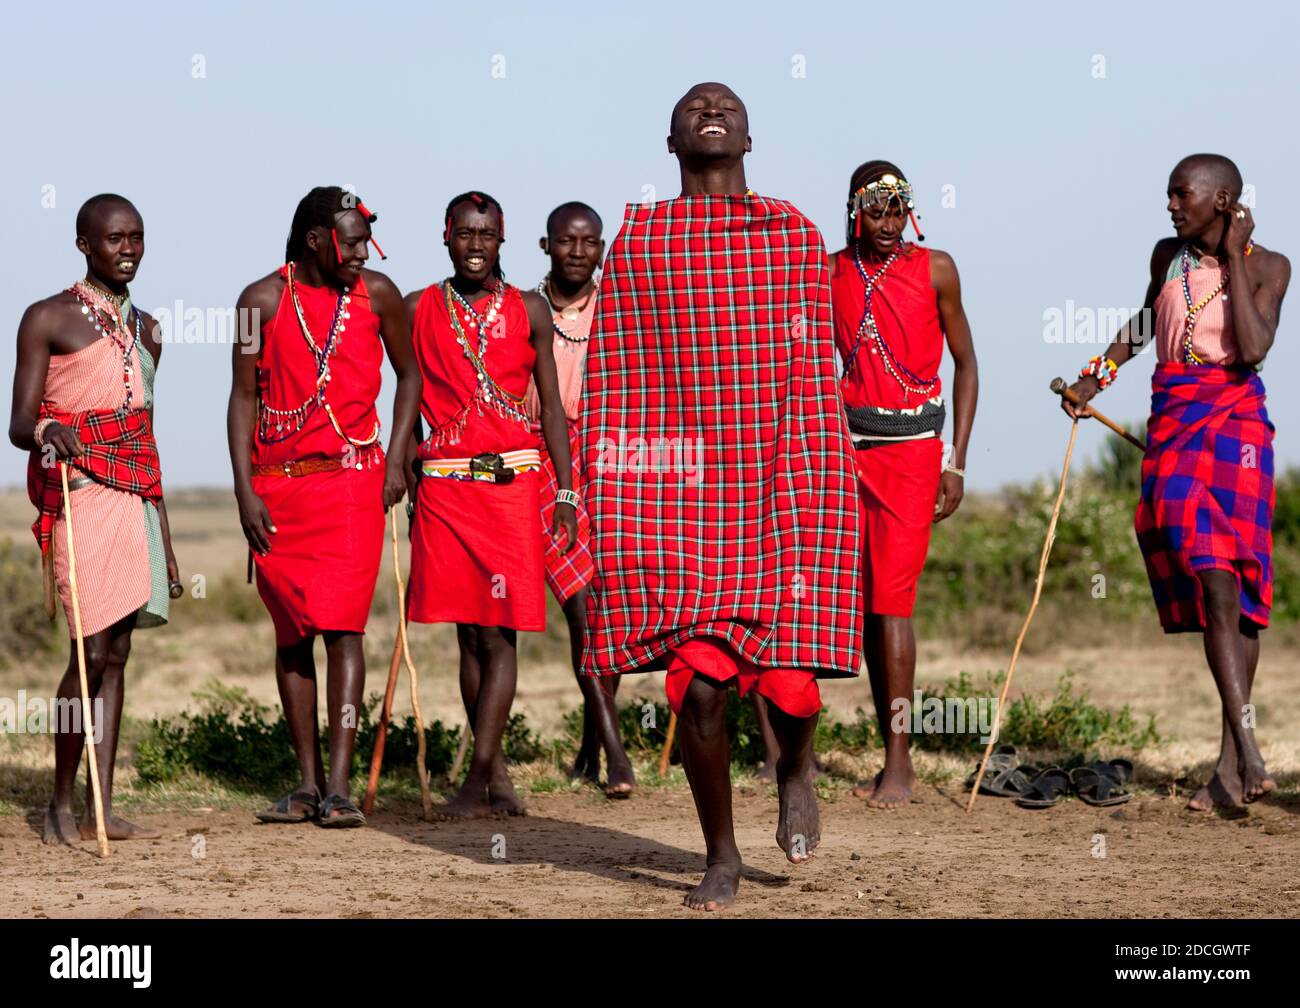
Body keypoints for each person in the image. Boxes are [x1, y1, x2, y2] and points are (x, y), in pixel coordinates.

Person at [580, 83, 862, 910]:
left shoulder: (792, 235)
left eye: (729, 106)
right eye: (696, 106)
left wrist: (820, 474)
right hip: (686, 496)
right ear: (670, 142)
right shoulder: (639, 242)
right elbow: (621, 374)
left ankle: (796, 767)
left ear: (750, 136)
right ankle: (723, 854)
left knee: (792, 688)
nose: (713, 110)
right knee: (700, 687)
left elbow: (815, 373)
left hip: (781, 481)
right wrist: (613, 481)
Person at [1063, 154, 1290, 810]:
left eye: (1181, 195)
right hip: (1177, 426)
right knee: (1208, 571)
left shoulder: (1272, 266)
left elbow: (1251, 349)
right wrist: (1094, 375)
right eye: (1168, 195)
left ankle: (1231, 763)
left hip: (1237, 429)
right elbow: (1142, 324)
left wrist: (1238, 256)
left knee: (1235, 588)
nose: (1170, 205)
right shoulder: (1167, 255)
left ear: (1222, 200)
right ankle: (1248, 749)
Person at [228, 186, 421, 828]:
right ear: (316, 240)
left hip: (351, 483)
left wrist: (397, 458)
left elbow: (410, 376)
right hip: (279, 489)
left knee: (343, 628)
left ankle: (339, 788)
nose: (364, 253)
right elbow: (242, 399)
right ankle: (306, 784)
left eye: (367, 240)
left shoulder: (379, 296)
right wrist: (244, 490)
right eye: (352, 240)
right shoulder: (259, 301)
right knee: (291, 636)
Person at [404, 191, 578, 820]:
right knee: (467, 635)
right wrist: (402, 462)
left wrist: (564, 489)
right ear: (446, 236)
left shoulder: (529, 309)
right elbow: (407, 390)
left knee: (502, 634)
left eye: (487, 235)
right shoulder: (419, 307)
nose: (475, 246)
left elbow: (552, 406)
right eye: (464, 234)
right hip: (447, 488)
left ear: (502, 239)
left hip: (511, 488)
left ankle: (478, 776)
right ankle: (494, 773)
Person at [10, 193, 178, 844]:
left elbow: (148, 438)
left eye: (137, 237)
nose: (128, 249)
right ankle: (58, 802)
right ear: (85, 245)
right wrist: (49, 426)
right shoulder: (47, 318)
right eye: (114, 239)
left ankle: (99, 804)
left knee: (120, 653)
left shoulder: (151, 330)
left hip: (136, 497)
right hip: (81, 495)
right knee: (90, 650)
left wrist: (165, 539)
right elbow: (18, 423)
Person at [830, 162, 978, 808]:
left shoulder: (935, 268)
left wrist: (957, 460)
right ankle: (882, 754)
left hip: (915, 451)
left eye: (899, 210)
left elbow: (968, 363)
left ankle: (900, 764)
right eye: (877, 210)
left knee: (892, 601)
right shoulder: (828, 271)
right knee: (865, 605)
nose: (889, 224)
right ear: (856, 210)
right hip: (847, 451)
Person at [526, 201, 635, 798]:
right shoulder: (522, 308)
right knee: (581, 606)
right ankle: (616, 755)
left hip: (611, 459)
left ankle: (592, 746)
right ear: (546, 246)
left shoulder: (618, 311)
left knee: (610, 606)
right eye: (566, 242)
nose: (578, 252)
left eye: (590, 243)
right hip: (544, 459)